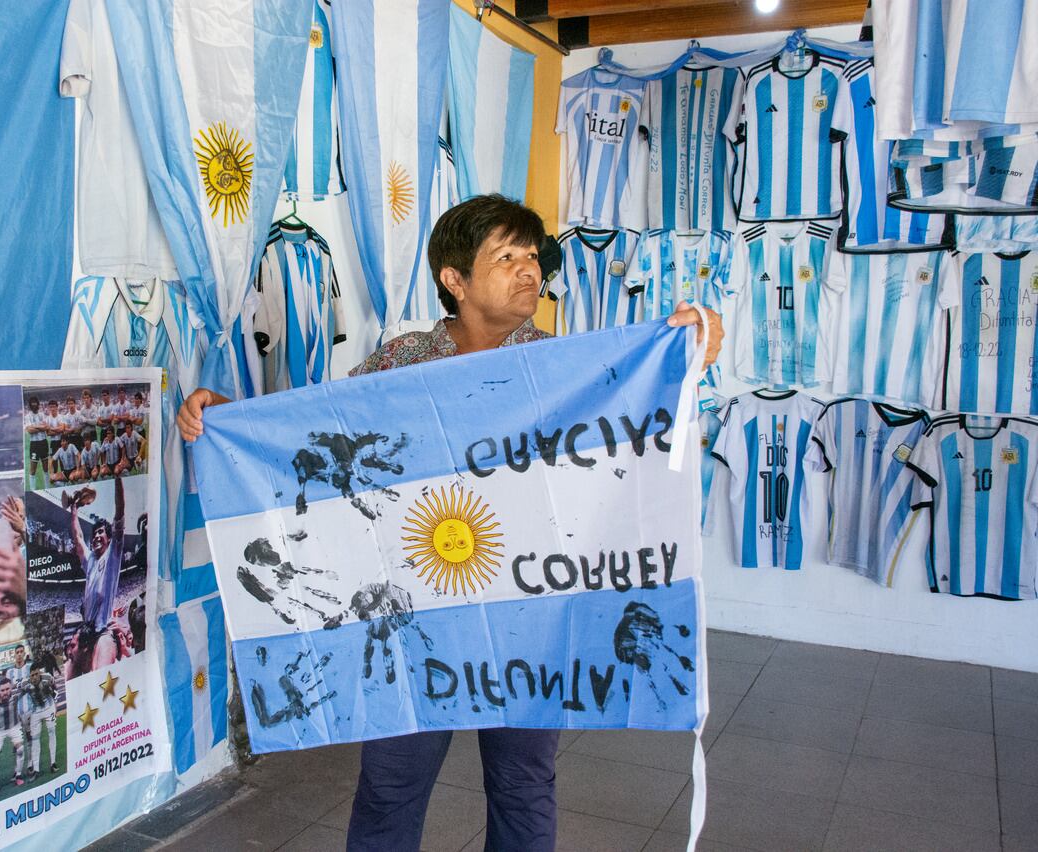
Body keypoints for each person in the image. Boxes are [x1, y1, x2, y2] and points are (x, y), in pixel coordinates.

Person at [176, 195, 725, 851]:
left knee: (524, 785)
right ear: (454, 279)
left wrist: (691, 346)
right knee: (389, 787)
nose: (529, 271)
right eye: (507, 256)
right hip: (415, 619)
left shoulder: (566, 368)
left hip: (530, 613)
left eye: (532, 256)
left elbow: (643, 408)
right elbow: (320, 437)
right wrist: (228, 419)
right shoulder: (401, 364)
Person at [66, 474, 124, 677]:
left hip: (103, 632)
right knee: (70, 678)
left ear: (109, 538)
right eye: (95, 533)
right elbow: (78, 537)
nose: (97, 536)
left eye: (102, 532)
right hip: (86, 631)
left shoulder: (113, 556)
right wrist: (74, 509)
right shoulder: (90, 561)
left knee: (100, 676)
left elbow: (119, 513)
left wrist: (119, 478)